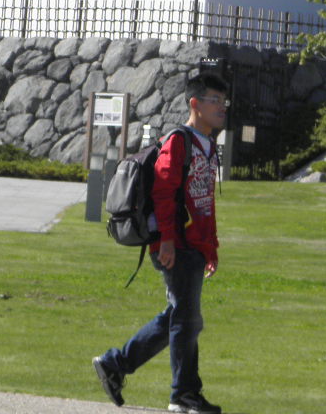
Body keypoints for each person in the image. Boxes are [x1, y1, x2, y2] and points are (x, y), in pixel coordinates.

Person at [93, 74, 226, 414]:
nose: (221, 107)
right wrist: (166, 239)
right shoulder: (179, 141)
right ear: (195, 104)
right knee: (186, 319)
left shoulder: (208, 145)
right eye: (214, 100)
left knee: (181, 317)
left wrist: (210, 247)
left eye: (223, 101)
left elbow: (204, 203)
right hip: (176, 244)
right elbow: (163, 192)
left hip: (193, 245)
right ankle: (183, 394)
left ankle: (115, 364)